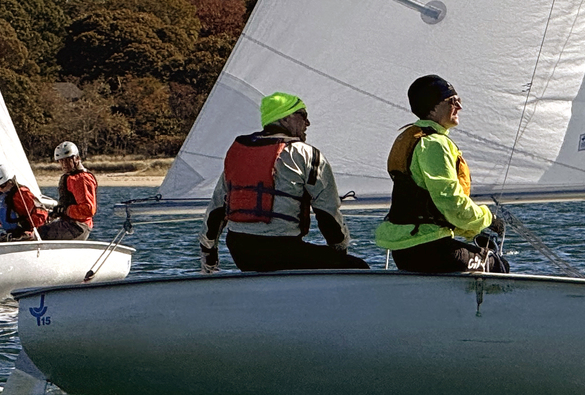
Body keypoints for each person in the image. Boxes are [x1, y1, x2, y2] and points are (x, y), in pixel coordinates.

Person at [199, 92, 370, 273]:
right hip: (282, 249)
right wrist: (340, 251)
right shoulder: (306, 154)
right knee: (358, 267)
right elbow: (327, 212)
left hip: (240, 250)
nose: (308, 123)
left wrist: (209, 257)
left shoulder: (239, 154)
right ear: (286, 119)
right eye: (303, 115)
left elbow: (216, 209)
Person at [373, 74, 509, 273]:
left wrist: (472, 230)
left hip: (404, 250)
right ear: (433, 106)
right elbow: (450, 203)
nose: (459, 107)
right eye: (453, 101)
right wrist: (488, 219)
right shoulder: (435, 144)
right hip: (432, 250)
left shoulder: (409, 138)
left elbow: (433, 209)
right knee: (498, 265)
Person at [38, 141, 97, 241]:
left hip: (78, 227)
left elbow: (88, 209)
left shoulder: (82, 179)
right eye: (61, 161)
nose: (64, 164)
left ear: (76, 158)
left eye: (67, 160)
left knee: (38, 234)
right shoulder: (70, 178)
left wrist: (66, 210)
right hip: (69, 224)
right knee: (36, 228)